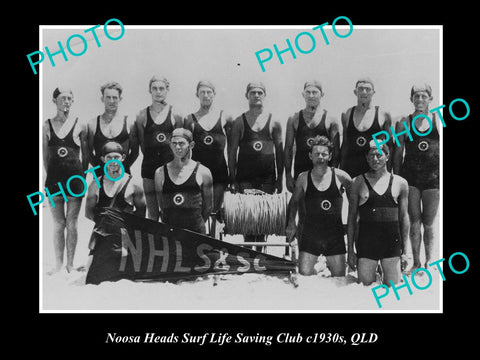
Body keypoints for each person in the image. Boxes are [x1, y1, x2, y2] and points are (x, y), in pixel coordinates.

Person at [228, 82, 284, 251]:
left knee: (263, 216)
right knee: (248, 217)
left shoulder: (274, 121)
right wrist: (232, 178)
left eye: (260, 92)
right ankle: (248, 253)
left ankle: (260, 253)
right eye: (253, 92)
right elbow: (231, 153)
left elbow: (280, 153)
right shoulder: (239, 122)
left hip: (267, 176)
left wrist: (280, 178)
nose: (256, 95)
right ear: (247, 96)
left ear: (264, 95)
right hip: (245, 176)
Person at [286, 136, 352, 276]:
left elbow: (355, 204)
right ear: (310, 156)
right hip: (311, 235)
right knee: (304, 274)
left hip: (334, 235)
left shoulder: (342, 177)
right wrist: (291, 223)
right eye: (316, 154)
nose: (320, 157)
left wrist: (351, 224)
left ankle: (325, 265)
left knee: (339, 276)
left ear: (330, 156)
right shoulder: (303, 177)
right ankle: (320, 267)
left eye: (324, 154)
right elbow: (294, 202)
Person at [347, 141, 409, 286]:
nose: (375, 159)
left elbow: (404, 218)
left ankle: (384, 270)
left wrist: (405, 252)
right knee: (365, 287)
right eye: (371, 155)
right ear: (367, 158)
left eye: (379, 155)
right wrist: (350, 250)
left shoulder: (400, 183)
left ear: (387, 157)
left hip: (391, 245)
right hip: (367, 244)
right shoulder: (357, 182)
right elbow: (351, 219)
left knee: (394, 287)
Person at [392, 84, 439, 272]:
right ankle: (416, 262)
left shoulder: (437, 120)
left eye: (423, 96)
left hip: (433, 178)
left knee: (429, 223)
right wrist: (396, 179)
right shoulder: (404, 122)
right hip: (410, 178)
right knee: (414, 221)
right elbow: (397, 153)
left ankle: (429, 261)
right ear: (411, 99)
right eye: (416, 96)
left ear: (430, 98)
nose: (420, 100)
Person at [43, 87, 88, 273]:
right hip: (54, 180)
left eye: (70, 98)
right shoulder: (46, 125)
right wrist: (52, 175)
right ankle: (58, 264)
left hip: (75, 179)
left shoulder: (80, 125)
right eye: (63, 98)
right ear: (55, 101)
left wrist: (81, 176)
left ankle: (70, 264)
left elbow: (86, 157)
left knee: (72, 222)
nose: (67, 102)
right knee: (58, 223)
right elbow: (45, 157)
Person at [184, 80, 233, 236]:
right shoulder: (190, 119)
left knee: (215, 212)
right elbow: (185, 150)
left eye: (209, 92)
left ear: (214, 94)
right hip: (198, 174)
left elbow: (232, 149)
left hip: (219, 172)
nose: (206, 95)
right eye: (202, 92)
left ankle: (215, 245)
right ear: (197, 95)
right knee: (200, 210)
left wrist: (233, 174)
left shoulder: (225, 117)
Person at [85, 141, 146, 264]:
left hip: (125, 238)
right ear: (103, 159)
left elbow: (141, 214)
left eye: (116, 157)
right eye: (109, 158)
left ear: (123, 158)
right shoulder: (95, 184)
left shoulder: (134, 183)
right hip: (102, 238)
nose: (113, 161)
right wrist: (107, 225)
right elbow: (88, 212)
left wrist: (122, 228)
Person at [135, 76, 183, 221]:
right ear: (150, 90)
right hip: (149, 167)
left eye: (161, 88)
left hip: (171, 168)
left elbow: (181, 144)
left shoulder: (176, 114)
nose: (158, 92)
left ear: (167, 90)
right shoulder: (142, 115)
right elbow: (143, 144)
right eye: (154, 88)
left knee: (171, 212)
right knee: (153, 214)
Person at [284, 80, 340, 193]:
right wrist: (288, 176)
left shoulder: (331, 119)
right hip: (300, 171)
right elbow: (288, 149)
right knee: (302, 208)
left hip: (323, 172)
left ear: (322, 94)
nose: (311, 96)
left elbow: (336, 151)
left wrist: (334, 176)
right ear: (303, 94)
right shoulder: (294, 119)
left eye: (315, 92)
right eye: (308, 92)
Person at [154, 128, 213, 234]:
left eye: (181, 143)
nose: (177, 147)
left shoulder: (203, 172)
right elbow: (162, 205)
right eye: (174, 143)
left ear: (191, 145)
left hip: (196, 233)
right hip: (170, 233)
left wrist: (196, 225)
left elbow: (208, 207)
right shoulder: (160, 172)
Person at [340, 78, 392, 178]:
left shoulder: (383, 114)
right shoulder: (347, 114)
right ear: (355, 92)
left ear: (373, 92)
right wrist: (341, 172)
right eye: (361, 89)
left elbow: (389, 146)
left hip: (374, 168)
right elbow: (345, 145)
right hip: (351, 167)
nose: (364, 92)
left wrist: (388, 174)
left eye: (368, 89)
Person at [87, 81, 139, 174]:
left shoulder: (129, 123)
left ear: (120, 99)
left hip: (123, 175)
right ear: (102, 99)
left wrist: (122, 168)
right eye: (108, 97)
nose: (111, 101)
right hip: (101, 176)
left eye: (115, 98)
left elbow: (135, 152)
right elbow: (89, 153)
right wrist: (102, 170)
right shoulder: (93, 124)